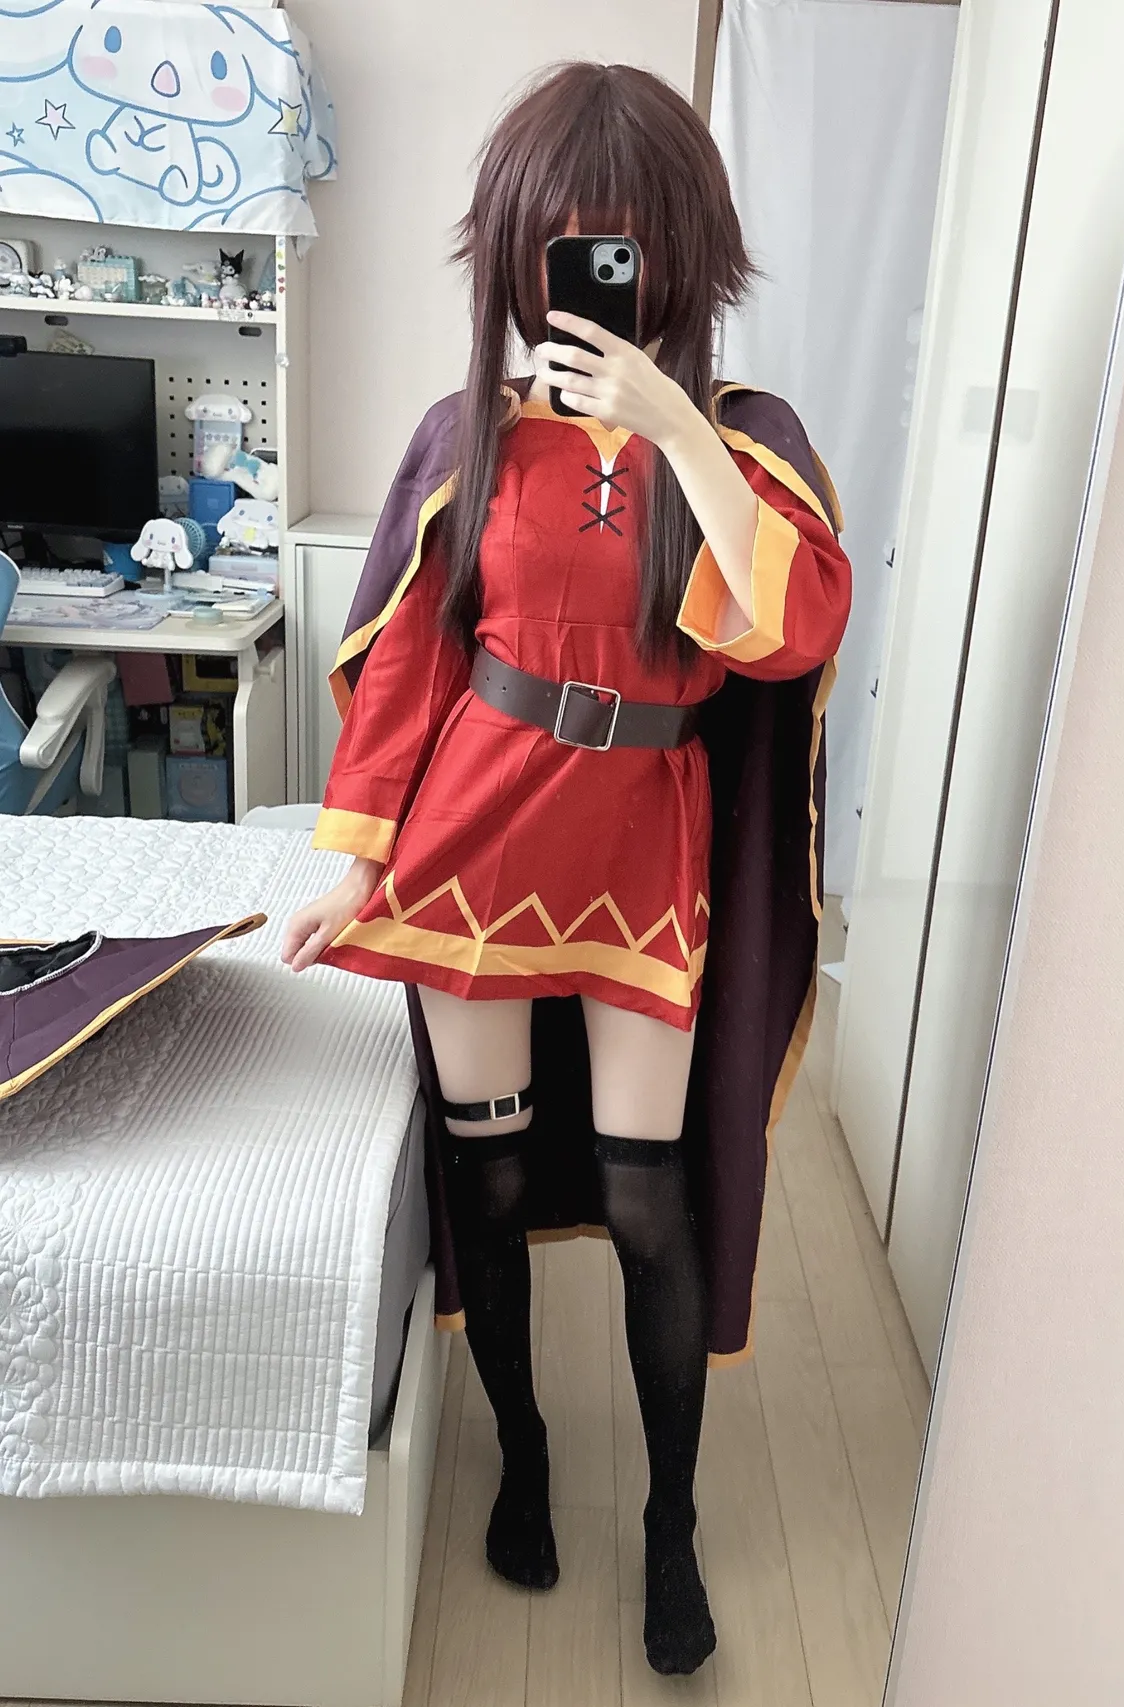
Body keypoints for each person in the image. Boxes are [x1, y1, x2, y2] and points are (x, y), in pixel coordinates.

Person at [282, 61, 851, 1677]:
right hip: (472, 840)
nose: (593, 278)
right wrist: (354, 861)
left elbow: (791, 622)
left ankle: (670, 1519)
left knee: (651, 1195)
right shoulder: (469, 437)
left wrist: (670, 422)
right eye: (563, 247)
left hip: (642, 849)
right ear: (516, 256)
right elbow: (408, 667)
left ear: (686, 254)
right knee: (488, 1175)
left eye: (627, 246)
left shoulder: (744, 443)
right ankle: (524, 1457)